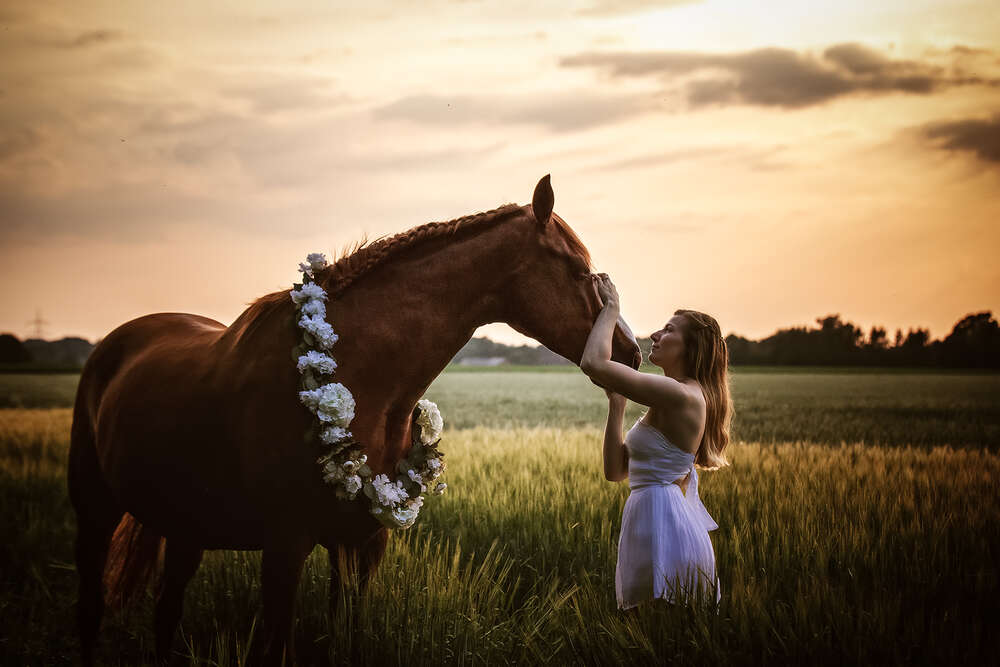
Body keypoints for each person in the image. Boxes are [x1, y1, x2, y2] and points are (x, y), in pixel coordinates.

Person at [580, 273, 732, 609]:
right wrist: (616, 405)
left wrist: (612, 308)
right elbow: (616, 472)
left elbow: (593, 363)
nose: (656, 335)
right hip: (649, 520)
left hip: (666, 528)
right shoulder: (674, 396)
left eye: (669, 330)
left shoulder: (683, 395)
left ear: (690, 348)